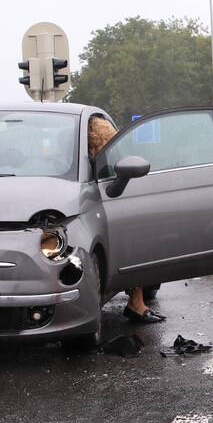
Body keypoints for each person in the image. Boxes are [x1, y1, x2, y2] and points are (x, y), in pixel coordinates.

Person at [87, 115, 166, 323]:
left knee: (136, 239)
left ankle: (136, 302)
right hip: (95, 216)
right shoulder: (89, 162)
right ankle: (135, 303)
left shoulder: (107, 162)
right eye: (108, 143)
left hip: (108, 214)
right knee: (133, 245)